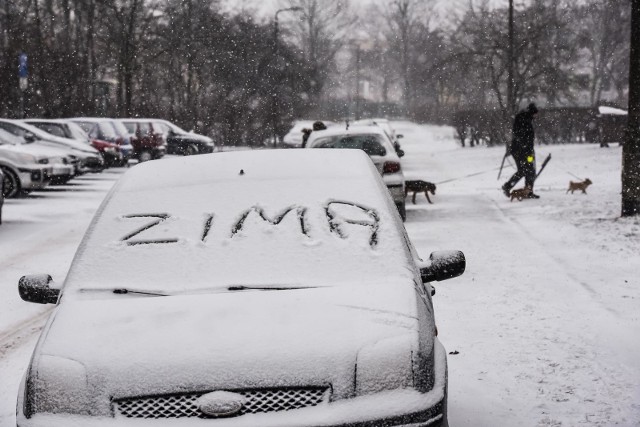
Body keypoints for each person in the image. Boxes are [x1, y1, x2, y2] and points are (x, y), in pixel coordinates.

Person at [502, 102, 540, 199]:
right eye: (535, 114)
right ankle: (508, 186)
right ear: (532, 112)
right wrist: (526, 148)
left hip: (526, 152)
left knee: (529, 170)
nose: (536, 116)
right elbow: (521, 136)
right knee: (524, 170)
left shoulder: (525, 119)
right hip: (521, 152)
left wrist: (529, 149)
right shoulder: (524, 120)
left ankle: (528, 191)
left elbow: (525, 137)